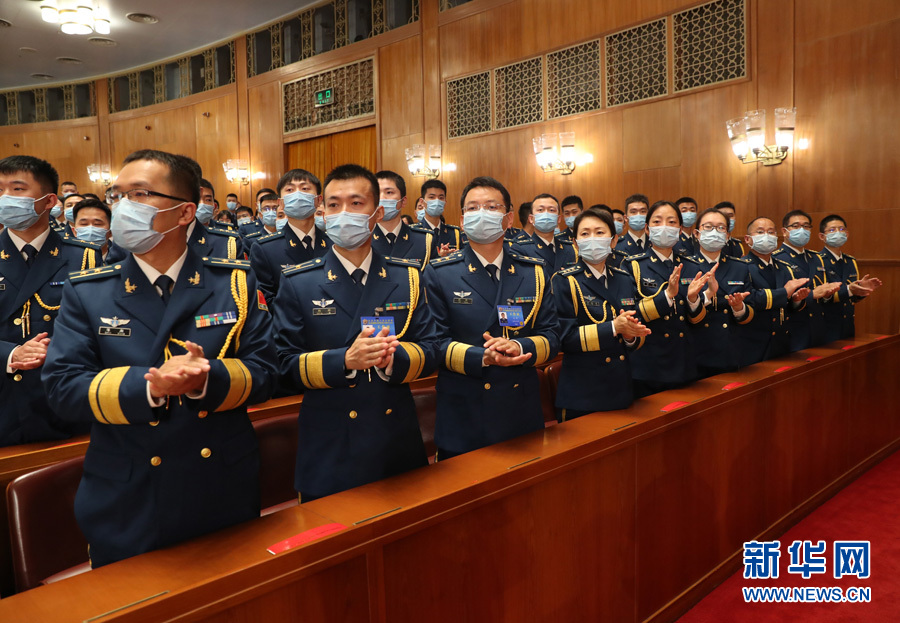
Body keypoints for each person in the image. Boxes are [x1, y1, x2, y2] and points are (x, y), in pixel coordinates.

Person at [42, 149, 276, 568]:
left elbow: (266, 370)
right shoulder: (89, 291)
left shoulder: (233, 283)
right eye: (117, 195)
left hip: (218, 483)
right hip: (128, 492)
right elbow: (62, 387)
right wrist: (149, 387)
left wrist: (206, 378)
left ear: (185, 212)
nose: (122, 207)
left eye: (140, 194)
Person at [273, 164, 439, 501]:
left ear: (377, 214)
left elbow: (433, 347)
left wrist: (393, 359)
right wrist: (344, 361)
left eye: (356, 203)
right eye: (334, 205)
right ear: (322, 212)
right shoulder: (298, 282)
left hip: (394, 436)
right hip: (330, 442)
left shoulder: (406, 277)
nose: (343, 213)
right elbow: (281, 364)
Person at [422, 176, 559, 460]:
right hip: (464, 412)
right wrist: (483, 357)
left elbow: (552, 335)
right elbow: (434, 343)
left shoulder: (533, 272)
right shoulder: (440, 272)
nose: (481, 213)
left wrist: (520, 347)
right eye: (473, 208)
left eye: (492, 207)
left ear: (509, 218)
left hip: (519, 408)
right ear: (462, 221)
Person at [0, 155, 101, 447]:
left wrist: (56, 349)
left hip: (62, 399)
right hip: (5, 401)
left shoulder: (83, 256)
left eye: (17, 189)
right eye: (0, 190)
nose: (6, 198)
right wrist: (11, 354)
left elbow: (98, 329)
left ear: (49, 201)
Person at [552, 208, 650, 420]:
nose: (592, 239)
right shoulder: (565, 281)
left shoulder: (624, 278)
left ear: (613, 241)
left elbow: (636, 333)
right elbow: (564, 338)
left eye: (599, 232)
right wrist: (614, 327)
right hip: (583, 392)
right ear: (575, 243)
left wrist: (631, 335)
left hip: (621, 386)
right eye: (585, 234)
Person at [623, 200, 708, 397]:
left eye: (671, 222)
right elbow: (632, 313)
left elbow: (696, 320)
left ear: (680, 230)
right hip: (649, 363)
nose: (664, 227)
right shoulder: (633, 266)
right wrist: (667, 296)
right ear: (647, 229)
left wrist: (694, 300)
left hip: (683, 360)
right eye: (657, 222)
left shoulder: (691, 265)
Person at [681, 208, 755, 377]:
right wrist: (706, 295)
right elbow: (682, 311)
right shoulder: (685, 266)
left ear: (727, 236)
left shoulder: (740, 267)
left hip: (730, 350)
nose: (714, 232)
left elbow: (750, 310)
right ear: (697, 234)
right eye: (708, 227)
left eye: (721, 228)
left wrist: (739, 307)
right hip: (696, 351)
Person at [249, 168, 332, 305]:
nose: (297, 194)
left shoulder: (333, 243)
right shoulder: (264, 249)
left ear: (318, 200)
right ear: (281, 203)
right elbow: (264, 300)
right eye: (290, 190)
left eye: (305, 189)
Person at [738, 217, 810, 366]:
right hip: (753, 342)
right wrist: (785, 292)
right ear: (748, 239)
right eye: (760, 232)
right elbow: (750, 299)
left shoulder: (784, 267)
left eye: (771, 232)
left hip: (782, 341)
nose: (766, 236)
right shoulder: (741, 267)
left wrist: (796, 300)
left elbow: (789, 306)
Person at [772, 210, 840, 351]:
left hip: (817, 327)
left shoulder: (816, 257)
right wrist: (811, 295)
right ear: (784, 231)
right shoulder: (776, 258)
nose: (801, 230)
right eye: (796, 226)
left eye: (806, 226)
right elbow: (778, 298)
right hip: (793, 330)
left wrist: (827, 294)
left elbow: (822, 292)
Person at [816, 214, 882, 342]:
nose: (838, 233)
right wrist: (850, 290)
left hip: (847, 325)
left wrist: (862, 290)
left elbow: (852, 298)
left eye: (841, 229)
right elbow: (821, 297)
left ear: (847, 234)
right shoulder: (817, 261)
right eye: (832, 230)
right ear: (822, 236)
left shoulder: (850, 261)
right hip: (826, 326)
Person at [372, 170, 432, 267]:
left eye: (389, 192)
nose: (382, 198)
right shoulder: (361, 240)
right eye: (377, 193)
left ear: (403, 201)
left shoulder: (424, 240)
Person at [510, 193, 577, 275]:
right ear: (531, 219)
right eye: (540, 210)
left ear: (558, 219)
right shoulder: (519, 249)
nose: (546, 214)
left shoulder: (570, 249)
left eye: (551, 210)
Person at [184, 178, 242, 260]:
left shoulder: (228, 240)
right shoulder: (173, 234)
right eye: (197, 199)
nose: (202, 204)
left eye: (208, 200)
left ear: (214, 206)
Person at [412, 179, 465, 257]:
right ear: (422, 202)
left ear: (445, 203)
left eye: (441, 198)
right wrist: (440, 258)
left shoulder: (454, 233)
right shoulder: (412, 232)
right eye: (432, 197)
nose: (437, 201)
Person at [73, 198, 113, 262]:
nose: (90, 230)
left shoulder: (123, 260)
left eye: (97, 224)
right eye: (84, 224)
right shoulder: (64, 262)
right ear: (74, 231)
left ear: (110, 232)